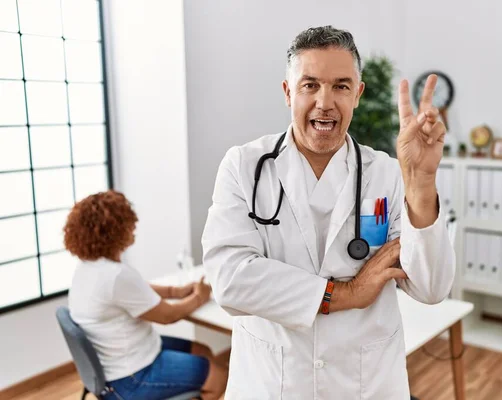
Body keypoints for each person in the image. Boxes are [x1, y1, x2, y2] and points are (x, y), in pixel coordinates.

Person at [201, 25, 456, 399]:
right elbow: (229, 280)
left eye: (340, 85)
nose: (325, 101)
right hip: (272, 383)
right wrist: (346, 293)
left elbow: (431, 288)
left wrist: (420, 182)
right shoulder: (244, 166)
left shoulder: (387, 173)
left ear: (358, 94)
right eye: (310, 85)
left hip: (365, 384)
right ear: (288, 92)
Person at [64, 190, 228, 400]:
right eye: (129, 224)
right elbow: (167, 316)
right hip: (130, 377)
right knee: (220, 376)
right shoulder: (116, 276)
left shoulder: (88, 268)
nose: (134, 228)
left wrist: (176, 292)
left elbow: (135, 289)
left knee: (203, 350)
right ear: (115, 232)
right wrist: (200, 297)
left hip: (126, 359)